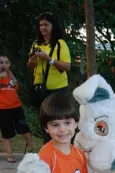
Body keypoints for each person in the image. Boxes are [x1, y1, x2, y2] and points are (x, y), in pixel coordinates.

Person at [27, 12, 71, 144]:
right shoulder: (36, 44)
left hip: (58, 88)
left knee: (60, 118)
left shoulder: (60, 44)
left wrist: (49, 59)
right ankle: (48, 147)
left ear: (53, 26)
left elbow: (67, 67)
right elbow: (29, 65)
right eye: (40, 25)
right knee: (45, 120)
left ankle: (63, 145)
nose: (43, 27)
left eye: (46, 24)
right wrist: (33, 60)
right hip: (40, 88)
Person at [0, 54, 32, 162]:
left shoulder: (10, 75)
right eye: (1, 62)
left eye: (6, 62)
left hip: (16, 106)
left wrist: (10, 74)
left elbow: (15, 86)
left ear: (9, 64)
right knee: (6, 131)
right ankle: (9, 154)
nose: (4, 65)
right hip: (3, 108)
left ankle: (30, 148)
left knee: (24, 128)